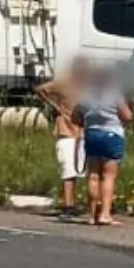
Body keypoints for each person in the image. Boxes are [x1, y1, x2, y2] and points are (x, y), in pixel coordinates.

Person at [75, 61, 134, 226]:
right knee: (109, 176)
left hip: (92, 134)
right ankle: (105, 214)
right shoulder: (114, 93)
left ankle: (92, 215)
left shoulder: (85, 95)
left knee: (93, 175)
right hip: (111, 134)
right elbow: (128, 116)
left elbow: (75, 116)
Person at [33, 61, 85, 217]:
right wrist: (54, 106)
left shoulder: (87, 87)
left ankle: (76, 203)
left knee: (80, 169)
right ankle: (68, 205)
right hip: (66, 129)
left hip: (82, 132)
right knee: (68, 169)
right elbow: (40, 89)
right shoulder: (63, 84)